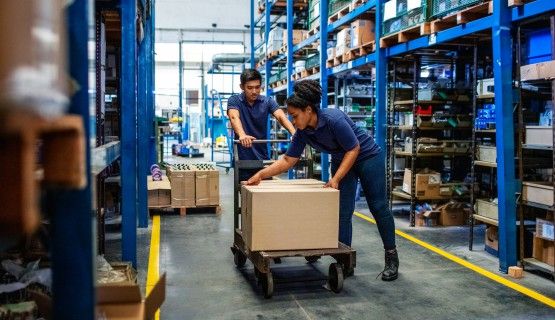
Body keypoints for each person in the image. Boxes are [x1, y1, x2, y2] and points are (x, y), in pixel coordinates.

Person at [245, 80, 399, 281]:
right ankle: (344, 261)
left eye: (295, 116)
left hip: (367, 157)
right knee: (343, 211)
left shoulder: (333, 119)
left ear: (308, 110)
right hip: (341, 159)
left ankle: (391, 256)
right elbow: (288, 160)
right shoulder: (302, 132)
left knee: (378, 206)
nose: (293, 121)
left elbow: (354, 149)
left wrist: (335, 179)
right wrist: (261, 175)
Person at [227, 69, 295, 182]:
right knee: (246, 194)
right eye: (250, 88)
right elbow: (234, 117)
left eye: (257, 87)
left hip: (263, 159)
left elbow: (281, 117)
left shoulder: (267, 101)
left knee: (264, 195)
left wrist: (294, 133)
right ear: (242, 87)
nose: (254, 91)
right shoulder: (234, 100)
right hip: (244, 160)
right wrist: (242, 135)